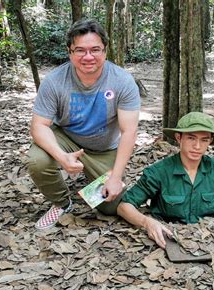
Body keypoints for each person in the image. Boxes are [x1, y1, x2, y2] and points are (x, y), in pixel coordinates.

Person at [26, 19, 141, 230]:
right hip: (68, 139)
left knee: (110, 206)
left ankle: (98, 178)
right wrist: (62, 157)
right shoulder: (54, 81)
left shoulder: (122, 81)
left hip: (105, 148)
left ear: (105, 51)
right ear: (69, 52)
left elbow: (129, 131)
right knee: (37, 160)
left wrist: (115, 177)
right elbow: (39, 126)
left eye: (95, 50)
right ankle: (62, 203)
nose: (88, 57)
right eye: (80, 50)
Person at [117, 112, 214, 248]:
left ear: (210, 141)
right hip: (168, 239)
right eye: (191, 138)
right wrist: (147, 222)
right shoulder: (159, 172)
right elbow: (124, 207)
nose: (197, 146)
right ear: (179, 138)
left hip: (211, 239)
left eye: (204, 140)